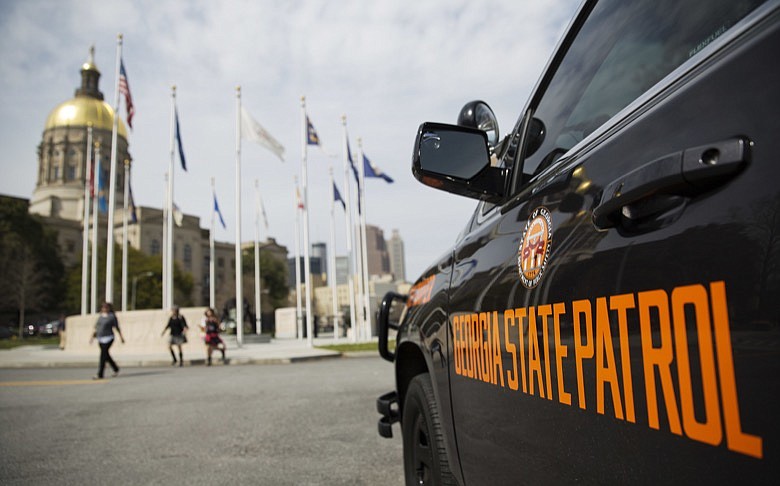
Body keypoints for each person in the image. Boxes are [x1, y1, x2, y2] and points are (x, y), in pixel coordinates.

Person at [89, 302, 125, 379]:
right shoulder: (100, 317)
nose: (104, 309)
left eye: (106, 307)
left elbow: (117, 327)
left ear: (109, 309)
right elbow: (97, 327)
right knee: (106, 355)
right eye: (103, 307)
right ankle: (115, 368)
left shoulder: (112, 317)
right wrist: (92, 337)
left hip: (109, 338)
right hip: (100, 338)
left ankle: (100, 374)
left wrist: (121, 337)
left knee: (103, 356)